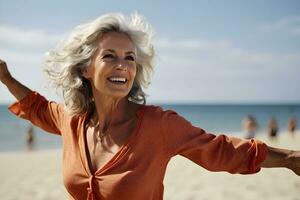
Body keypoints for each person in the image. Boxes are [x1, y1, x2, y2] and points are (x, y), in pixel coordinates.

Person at [0, 12, 299, 200]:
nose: (123, 66)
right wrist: (6, 78)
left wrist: (290, 158)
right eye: (110, 56)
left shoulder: (159, 125)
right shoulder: (72, 119)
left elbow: (222, 150)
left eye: (130, 57)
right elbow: (37, 107)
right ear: (85, 69)